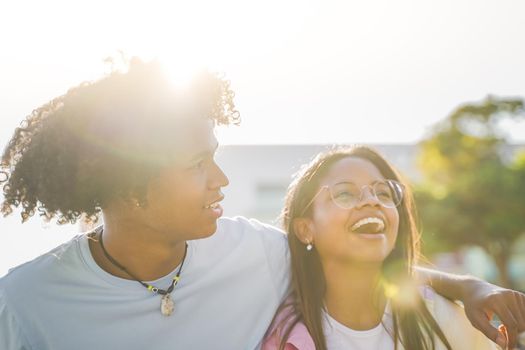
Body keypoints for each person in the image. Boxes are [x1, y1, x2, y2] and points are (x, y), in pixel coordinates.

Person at [0, 59, 523, 349]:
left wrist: (471, 287)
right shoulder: (26, 303)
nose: (220, 180)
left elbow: (358, 262)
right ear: (128, 185)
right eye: (197, 165)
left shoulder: (258, 254)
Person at [262, 146, 512, 350]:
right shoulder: (286, 339)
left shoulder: (445, 320)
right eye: (345, 194)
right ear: (306, 230)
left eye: (383, 193)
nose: (372, 200)